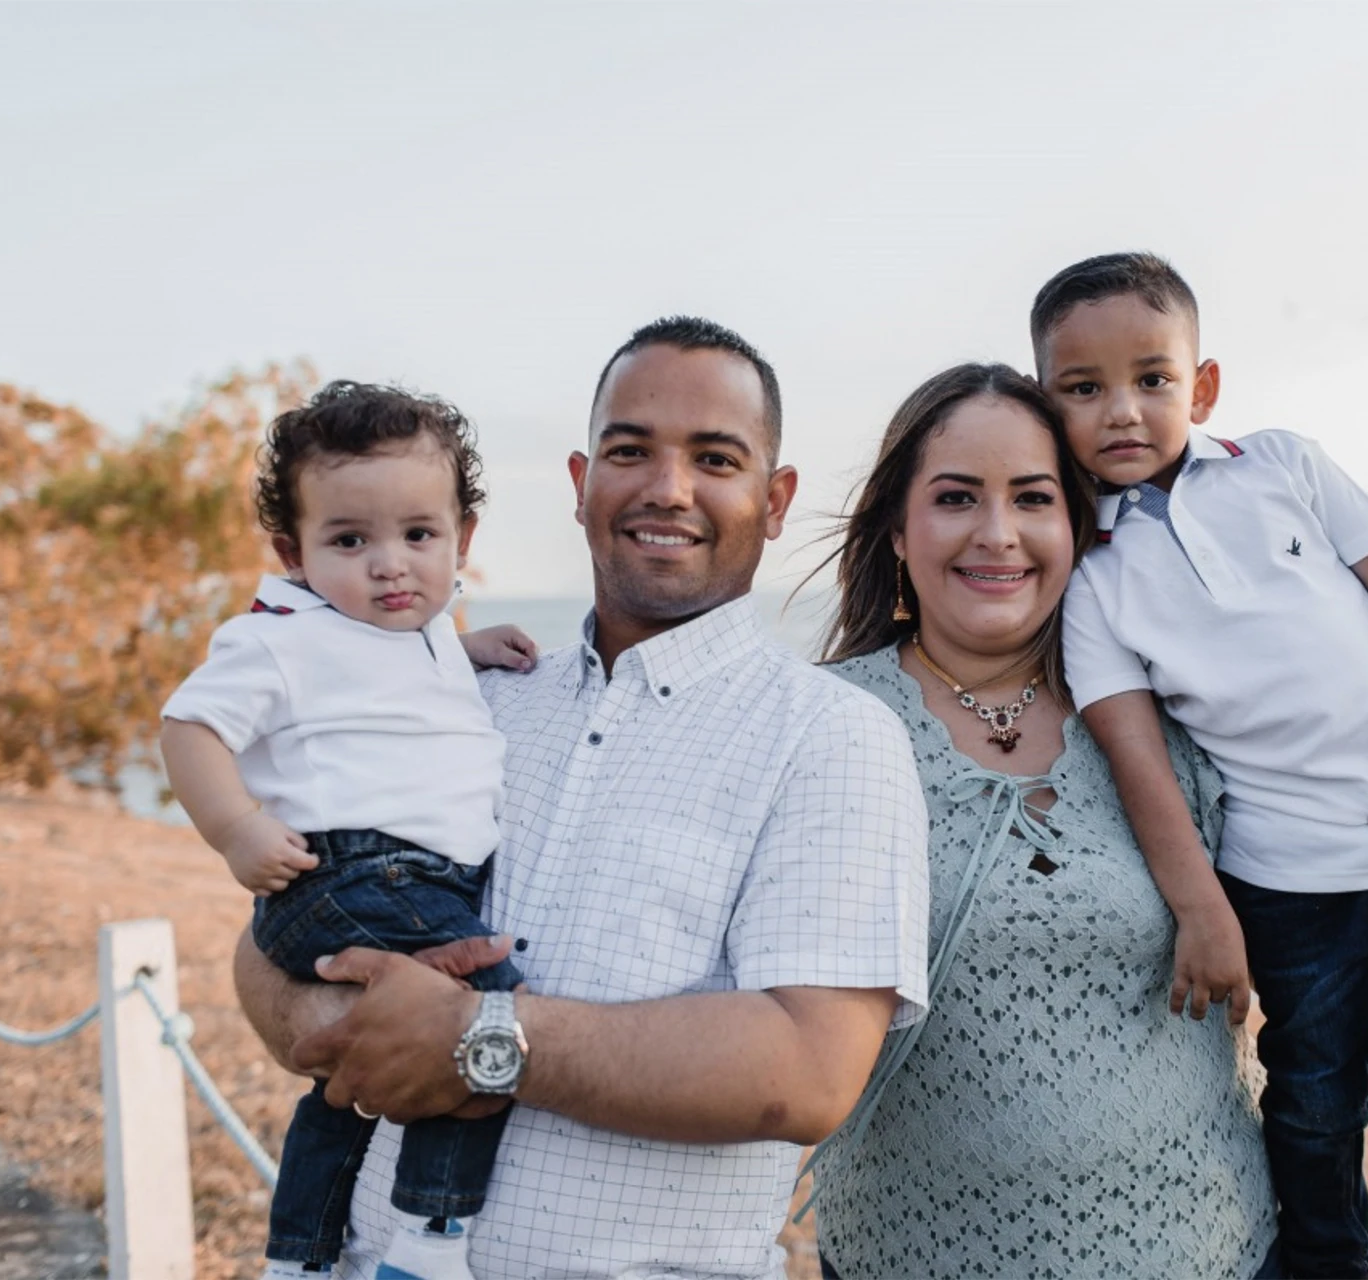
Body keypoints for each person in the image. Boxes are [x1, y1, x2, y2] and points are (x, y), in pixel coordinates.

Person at [806, 362, 1368, 1278]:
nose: (998, 534)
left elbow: (1352, 811)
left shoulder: (1185, 720)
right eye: (957, 497)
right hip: (917, 1254)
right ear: (895, 529)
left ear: (1077, 526)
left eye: (1034, 498)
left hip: (1219, 1248)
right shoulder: (818, 728)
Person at [231, 316, 932, 1280]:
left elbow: (808, 1073)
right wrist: (341, 1032)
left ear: (774, 502)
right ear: (580, 482)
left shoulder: (831, 737)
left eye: (715, 458)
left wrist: (478, 1039)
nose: (666, 488)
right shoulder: (465, 697)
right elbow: (272, 941)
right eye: (629, 450)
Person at [1034, 252, 1368, 1278]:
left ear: (1203, 385)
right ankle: (1326, 1264)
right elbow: (1137, 761)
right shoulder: (1091, 578)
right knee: (1313, 1101)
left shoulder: (1285, 466)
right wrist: (1203, 908)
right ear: (1048, 404)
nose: (1121, 410)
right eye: (1083, 389)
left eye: (1151, 378)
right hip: (1290, 884)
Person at [161, 381, 539, 1279]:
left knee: (354, 1085)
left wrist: (467, 648)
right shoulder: (281, 637)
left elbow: (407, 668)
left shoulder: (428, 634)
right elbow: (189, 728)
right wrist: (237, 830)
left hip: (405, 886)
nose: (390, 566)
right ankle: (431, 1238)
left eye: (419, 536)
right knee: (490, 1024)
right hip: (349, 875)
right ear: (294, 553)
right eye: (349, 541)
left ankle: (298, 1256)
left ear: (462, 540)